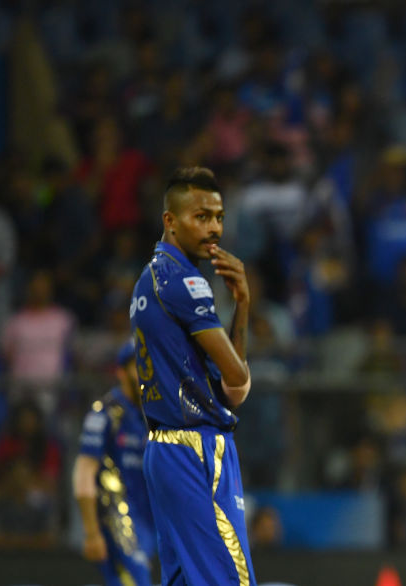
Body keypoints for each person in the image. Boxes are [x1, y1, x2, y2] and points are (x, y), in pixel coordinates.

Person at [130, 166, 257, 585]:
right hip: (196, 448)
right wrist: (243, 307)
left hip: (163, 448)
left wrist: (239, 304)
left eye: (218, 217)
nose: (214, 228)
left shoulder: (148, 280)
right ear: (170, 220)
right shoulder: (186, 282)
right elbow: (237, 384)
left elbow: (227, 385)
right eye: (201, 217)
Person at [72, 340, 156, 585]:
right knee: (137, 578)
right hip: (117, 515)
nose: (145, 373)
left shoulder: (155, 414)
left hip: (150, 515)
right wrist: (91, 532)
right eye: (137, 366)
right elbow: (84, 471)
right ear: (121, 371)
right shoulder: (105, 413)